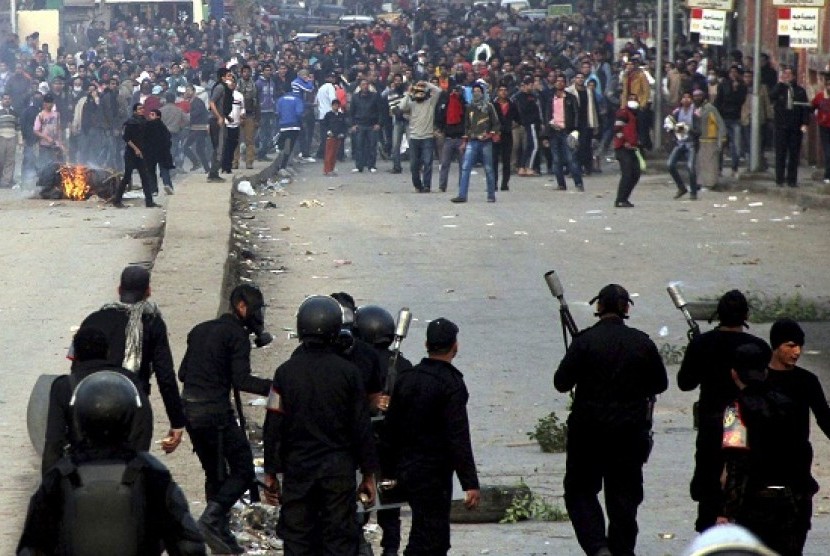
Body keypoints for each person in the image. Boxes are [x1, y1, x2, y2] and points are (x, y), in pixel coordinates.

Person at [18, 371, 206, 556]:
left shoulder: (60, 475)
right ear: (131, 418)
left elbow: (31, 547)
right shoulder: (152, 473)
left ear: (79, 418)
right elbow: (189, 545)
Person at [554, 284, 668, 556]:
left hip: (588, 433)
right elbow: (660, 384)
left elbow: (561, 383)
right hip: (629, 434)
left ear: (599, 307)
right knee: (624, 499)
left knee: (580, 491)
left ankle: (597, 547)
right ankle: (621, 551)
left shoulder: (585, 341)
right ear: (626, 308)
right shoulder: (642, 342)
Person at [262, 295, 379, 554]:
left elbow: (273, 424)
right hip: (338, 471)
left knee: (298, 537)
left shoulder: (284, 373)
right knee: (339, 537)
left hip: (298, 469)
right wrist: (369, 473)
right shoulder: (349, 374)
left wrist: (271, 472)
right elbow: (362, 427)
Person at [178, 284, 274, 554]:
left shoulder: (199, 330)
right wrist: (277, 386)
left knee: (214, 473)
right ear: (241, 307)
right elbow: (241, 380)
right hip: (215, 413)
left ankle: (218, 529)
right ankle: (211, 521)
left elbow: (184, 373)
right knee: (243, 469)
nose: (258, 316)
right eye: (255, 309)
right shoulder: (237, 336)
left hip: (190, 412)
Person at [677, 289, 772, 533]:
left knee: (708, 492)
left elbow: (685, 383)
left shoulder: (702, 343)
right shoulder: (759, 347)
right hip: (749, 426)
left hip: (712, 426)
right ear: (746, 315)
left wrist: (699, 354)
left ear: (718, 315)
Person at [383, 317, 481, 555]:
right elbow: (458, 437)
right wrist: (470, 483)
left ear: (426, 344)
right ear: (454, 347)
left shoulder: (406, 378)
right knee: (432, 540)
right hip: (434, 476)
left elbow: (390, 429)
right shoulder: (452, 384)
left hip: (405, 471)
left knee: (423, 532)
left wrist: (386, 471)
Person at [78, 265, 186, 449]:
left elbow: (77, 369)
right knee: (135, 467)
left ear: (119, 290)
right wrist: (176, 422)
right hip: (134, 406)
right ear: (148, 292)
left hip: (91, 404)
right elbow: (165, 376)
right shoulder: (152, 323)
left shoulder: (94, 320)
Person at [43, 326, 154, 473]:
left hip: (81, 471)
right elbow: (144, 425)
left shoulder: (64, 386)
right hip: (125, 467)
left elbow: (54, 441)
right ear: (107, 352)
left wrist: (50, 483)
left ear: (75, 355)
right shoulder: (129, 380)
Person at [761, 318, 830, 553]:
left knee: (795, 541)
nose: (797, 352)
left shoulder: (807, 381)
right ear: (776, 346)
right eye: (790, 345)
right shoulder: (758, 380)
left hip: (798, 474)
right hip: (763, 473)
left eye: (799, 346)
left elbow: (825, 418)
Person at [355, 304, 415, 556]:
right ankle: (390, 550)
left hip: (364, 445)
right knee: (391, 508)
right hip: (393, 448)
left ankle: (360, 545)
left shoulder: (355, 364)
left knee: (359, 505)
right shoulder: (403, 365)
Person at [452, 82, 500, 203]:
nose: (476, 93)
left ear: (482, 93)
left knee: (489, 169)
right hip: (472, 140)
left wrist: (489, 134)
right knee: (465, 168)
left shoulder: (489, 106)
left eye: (478, 91)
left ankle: (491, 195)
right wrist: (464, 141)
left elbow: (496, 124)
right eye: (474, 91)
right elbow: (467, 126)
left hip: (486, 141)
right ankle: (462, 195)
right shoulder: (469, 107)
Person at [768, 66, 809, 188]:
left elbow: (804, 108)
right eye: (784, 74)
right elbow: (771, 96)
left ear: (794, 76)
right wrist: (780, 84)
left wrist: (805, 123)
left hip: (795, 126)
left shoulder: (800, 91)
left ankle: (792, 179)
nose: (787, 76)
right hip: (781, 125)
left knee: (794, 154)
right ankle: (779, 179)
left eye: (789, 74)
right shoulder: (779, 89)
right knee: (780, 153)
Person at [399, 80, 442, 192]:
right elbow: (402, 107)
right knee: (414, 164)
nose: (420, 94)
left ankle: (427, 185)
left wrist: (426, 84)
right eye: (417, 92)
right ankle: (417, 185)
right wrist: (409, 93)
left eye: (422, 93)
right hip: (414, 138)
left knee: (428, 162)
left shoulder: (430, 104)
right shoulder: (412, 104)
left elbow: (438, 91)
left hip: (427, 137)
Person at [545, 73, 585, 192]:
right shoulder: (550, 98)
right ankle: (561, 184)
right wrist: (546, 133)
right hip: (554, 131)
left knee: (571, 158)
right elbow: (546, 115)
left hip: (567, 131)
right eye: (557, 81)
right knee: (556, 160)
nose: (559, 83)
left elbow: (577, 115)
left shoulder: (571, 98)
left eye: (562, 81)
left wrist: (575, 130)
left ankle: (578, 183)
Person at [113, 103, 157, 208]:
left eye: (142, 108)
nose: (142, 110)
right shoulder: (130, 123)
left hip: (141, 154)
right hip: (131, 153)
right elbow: (127, 138)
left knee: (145, 177)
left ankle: (149, 202)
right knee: (127, 177)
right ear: (134, 111)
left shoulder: (144, 121)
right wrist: (136, 149)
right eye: (139, 109)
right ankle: (117, 200)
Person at [665, 92, 700, 200]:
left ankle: (693, 192)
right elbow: (669, 124)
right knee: (670, 165)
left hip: (691, 143)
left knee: (690, 167)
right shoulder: (677, 112)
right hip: (679, 142)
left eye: (688, 97)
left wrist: (689, 129)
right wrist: (672, 129)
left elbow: (699, 131)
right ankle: (681, 187)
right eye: (684, 97)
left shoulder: (695, 113)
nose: (686, 100)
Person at [693, 88, 726, 191]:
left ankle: (710, 184)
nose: (697, 98)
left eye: (699, 96)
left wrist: (721, 140)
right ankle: (701, 183)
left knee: (710, 164)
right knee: (701, 164)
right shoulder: (697, 109)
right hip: (701, 140)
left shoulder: (710, 108)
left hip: (711, 140)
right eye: (695, 96)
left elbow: (720, 124)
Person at [613, 93, 641, 208]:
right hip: (623, 148)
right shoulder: (623, 113)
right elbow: (617, 129)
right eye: (631, 99)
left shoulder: (636, 114)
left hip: (632, 148)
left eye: (635, 99)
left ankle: (624, 198)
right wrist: (624, 142)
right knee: (627, 173)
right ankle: (620, 199)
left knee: (635, 173)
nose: (633, 101)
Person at [207, 69, 232, 183]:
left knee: (220, 146)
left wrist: (226, 116)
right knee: (219, 147)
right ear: (222, 77)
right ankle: (213, 173)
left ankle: (214, 172)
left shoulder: (225, 88)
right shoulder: (220, 88)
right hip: (216, 121)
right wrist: (219, 117)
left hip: (220, 119)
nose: (230, 78)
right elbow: (212, 103)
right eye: (228, 76)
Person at [492, 84, 519, 192]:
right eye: (501, 90)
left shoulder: (512, 105)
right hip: (496, 135)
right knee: (494, 160)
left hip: (507, 135)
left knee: (506, 160)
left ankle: (505, 184)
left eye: (505, 90)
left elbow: (518, 119)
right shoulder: (493, 105)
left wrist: (512, 125)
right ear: (497, 92)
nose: (503, 92)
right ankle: (493, 183)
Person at [514, 76, 542, 176]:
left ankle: (522, 167)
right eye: (530, 85)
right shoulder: (521, 96)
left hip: (534, 123)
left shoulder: (534, 95)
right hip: (530, 123)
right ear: (525, 85)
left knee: (529, 146)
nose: (532, 86)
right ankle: (529, 167)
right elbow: (524, 109)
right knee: (535, 146)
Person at [145, 108, 175, 196]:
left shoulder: (150, 125)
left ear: (158, 116)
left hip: (154, 152)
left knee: (154, 171)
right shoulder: (162, 126)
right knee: (161, 170)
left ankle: (155, 189)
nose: (150, 116)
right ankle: (166, 186)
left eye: (153, 114)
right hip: (160, 152)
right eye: (150, 114)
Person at [233, 65, 258, 170]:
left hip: (249, 115)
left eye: (248, 71)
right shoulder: (236, 86)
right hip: (236, 115)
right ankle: (234, 162)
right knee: (235, 140)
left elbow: (257, 103)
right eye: (244, 72)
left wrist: (257, 118)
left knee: (250, 140)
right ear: (241, 73)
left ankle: (249, 162)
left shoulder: (254, 86)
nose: (246, 73)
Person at [33, 92, 64, 172]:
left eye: (51, 102)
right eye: (48, 102)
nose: (50, 104)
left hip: (55, 144)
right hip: (44, 145)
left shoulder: (57, 114)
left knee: (56, 164)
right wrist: (46, 137)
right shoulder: (40, 115)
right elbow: (36, 131)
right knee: (44, 164)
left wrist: (60, 142)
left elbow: (58, 128)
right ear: (44, 103)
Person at [221, 75, 245, 174]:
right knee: (225, 145)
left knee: (233, 145)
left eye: (232, 82)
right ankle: (224, 165)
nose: (231, 84)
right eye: (228, 82)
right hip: (226, 124)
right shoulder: (223, 95)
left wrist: (243, 114)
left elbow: (243, 107)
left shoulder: (239, 96)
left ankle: (229, 165)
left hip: (236, 124)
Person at [810, 73, 830, 184]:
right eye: (828, 85)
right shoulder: (820, 96)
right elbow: (812, 108)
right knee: (828, 153)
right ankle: (828, 175)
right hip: (824, 128)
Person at [322, 98, 347, 176]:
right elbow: (324, 125)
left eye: (337, 105)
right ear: (332, 106)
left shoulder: (341, 115)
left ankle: (331, 169)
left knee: (334, 154)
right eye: (334, 105)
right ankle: (327, 170)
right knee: (329, 154)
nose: (336, 106)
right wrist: (328, 132)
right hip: (330, 136)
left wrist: (343, 133)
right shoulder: (328, 115)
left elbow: (344, 126)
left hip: (338, 137)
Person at [0, 93, 18, 188]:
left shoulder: (14, 113)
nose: (7, 100)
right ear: (2, 100)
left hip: (12, 138)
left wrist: (20, 140)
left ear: (11, 101)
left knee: (10, 160)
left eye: (8, 99)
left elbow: (18, 127)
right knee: (1, 159)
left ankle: (6, 182)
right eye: (5, 99)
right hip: (1, 137)